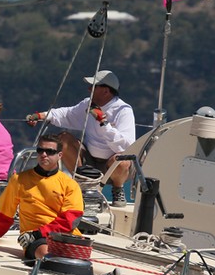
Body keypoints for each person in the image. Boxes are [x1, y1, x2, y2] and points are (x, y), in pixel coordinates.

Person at [26, 69, 136, 207]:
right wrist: (41, 116)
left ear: (106, 91)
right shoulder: (88, 104)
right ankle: (82, 185)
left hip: (113, 165)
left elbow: (126, 146)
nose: (89, 89)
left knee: (122, 160)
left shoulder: (123, 110)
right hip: (89, 161)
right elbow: (66, 115)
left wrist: (103, 123)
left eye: (94, 86)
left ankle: (118, 189)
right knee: (64, 139)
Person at [0, 134, 84, 262]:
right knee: (48, 255)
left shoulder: (70, 185)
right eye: (40, 150)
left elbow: (71, 220)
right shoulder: (19, 180)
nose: (44, 154)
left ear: (60, 155)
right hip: (35, 240)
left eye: (50, 151)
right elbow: (3, 216)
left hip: (65, 237)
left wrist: (39, 232)